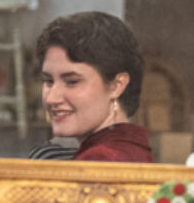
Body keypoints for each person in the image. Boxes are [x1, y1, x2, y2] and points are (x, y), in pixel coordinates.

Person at [34, 11, 153, 163]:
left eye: (72, 81)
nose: (51, 98)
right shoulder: (129, 149)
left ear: (117, 86)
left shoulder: (101, 159)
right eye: (49, 81)